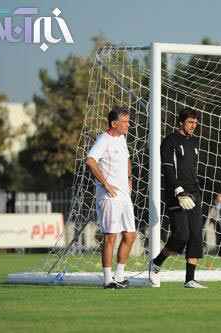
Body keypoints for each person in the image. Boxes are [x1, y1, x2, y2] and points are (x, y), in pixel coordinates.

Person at [149, 108, 207, 288]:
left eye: (196, 123)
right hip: (176, 194)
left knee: (196, 235)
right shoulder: (170, 141)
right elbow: (168, 168)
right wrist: (178, 190)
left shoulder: (195, 142)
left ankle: (190, 279)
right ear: (181, 122)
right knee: (181, 235)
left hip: (194, 194)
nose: (193, 126)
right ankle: (157, 262)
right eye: (190, 122)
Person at [86, 107, 136, 289]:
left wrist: (130, 178)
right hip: (109, 196)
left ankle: (120, 276)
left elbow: (128, 159)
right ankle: (108, 280)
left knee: (130, 235)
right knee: (110, 237)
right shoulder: (103, 140)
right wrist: (106, 184)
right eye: (125, 122)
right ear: (114, 124)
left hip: (124, 195)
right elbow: (90, 161)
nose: (128, 125)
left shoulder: (122, 138)